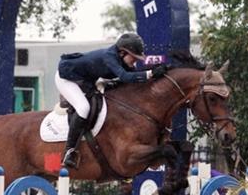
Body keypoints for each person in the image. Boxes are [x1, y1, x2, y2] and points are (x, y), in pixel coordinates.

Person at [55, 32, 168, 168]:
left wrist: (154, 73)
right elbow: (125, 77)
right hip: (67, 78)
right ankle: (70, 151)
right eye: (134, 58)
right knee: (83, 107)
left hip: (86, 80)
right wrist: (150, 74)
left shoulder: (120, 58)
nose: (135, 61)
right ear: (122, 53)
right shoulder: (109, 57)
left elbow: (134, 77)